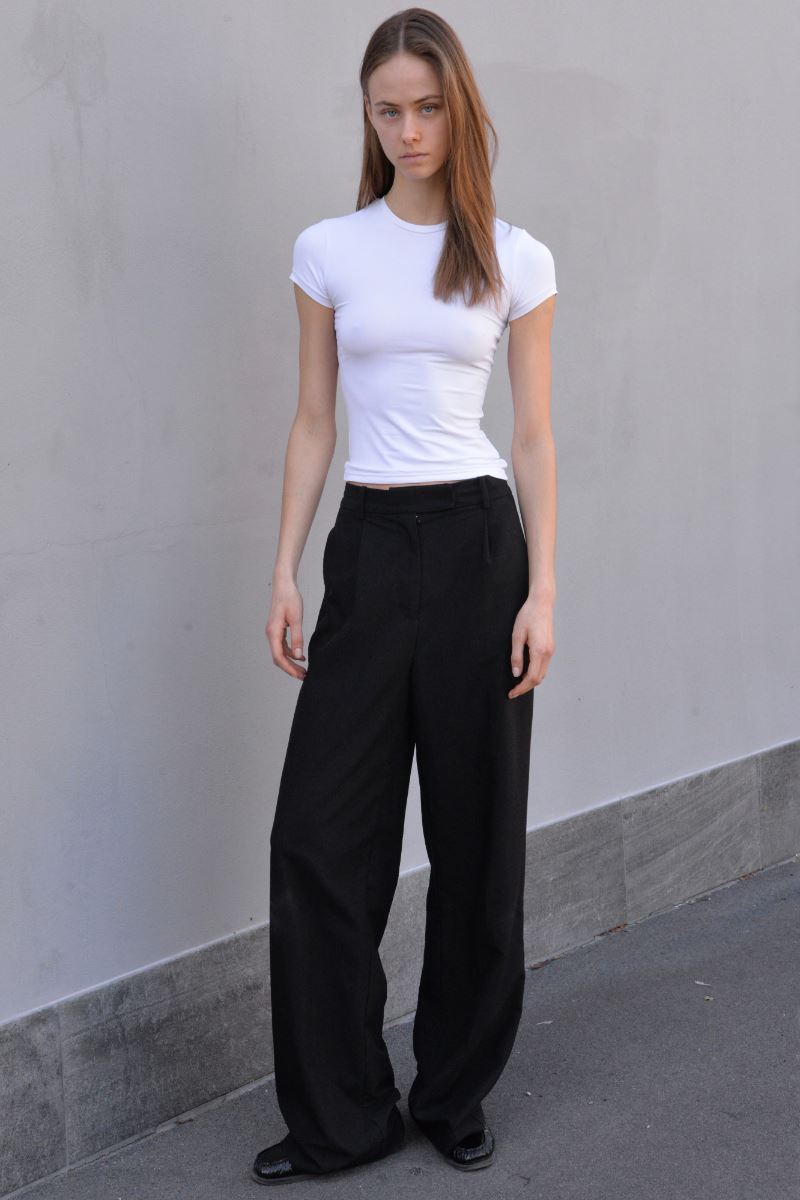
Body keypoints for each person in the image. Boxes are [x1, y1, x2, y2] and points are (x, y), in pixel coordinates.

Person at [252, 6, 557, 1187]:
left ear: (457, 109)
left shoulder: (514, 256)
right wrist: (284, 568)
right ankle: (342, 1118)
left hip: (480, 550)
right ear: (368, 117)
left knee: (476, 840)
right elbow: (312, 421)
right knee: (318, 842)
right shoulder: (328, 249)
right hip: (370, 549)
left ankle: (452, 1091)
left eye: (427, 107)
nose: (409, 129)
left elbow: (530, 437)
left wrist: (542, 589)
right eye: (388, 110)